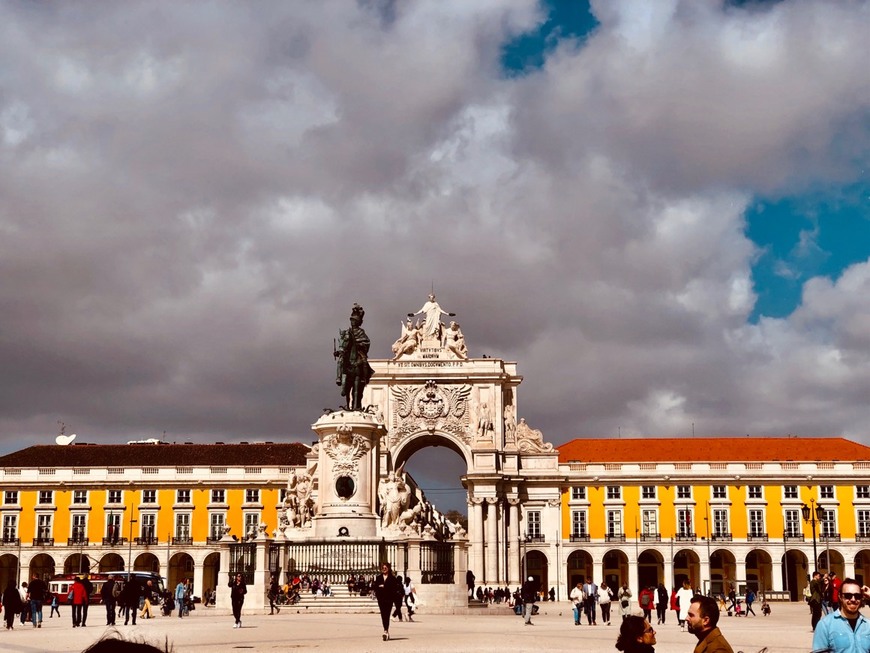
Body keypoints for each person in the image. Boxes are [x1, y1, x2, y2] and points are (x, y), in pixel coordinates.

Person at [812, 578, 870, 653]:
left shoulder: (867, 625)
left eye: (857, 596)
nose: (853, 599)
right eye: (848, 595)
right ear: (840, 596)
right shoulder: (825, 625)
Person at [374, 562, 400, 641]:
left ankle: (386, 631)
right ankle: (386, 630)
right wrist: (379, 596)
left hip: (389, 600)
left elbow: (394, 589)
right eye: (382, 568)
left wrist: (384, 587)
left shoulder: (392, 578)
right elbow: (376, 588)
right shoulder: (378, 578)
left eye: (385, 568)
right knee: (383, 615)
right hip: (381, 600)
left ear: (388, 569)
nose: (384, 569)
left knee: (387, 615)